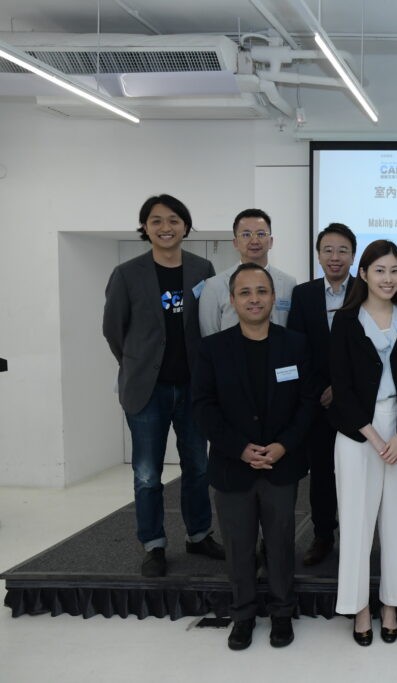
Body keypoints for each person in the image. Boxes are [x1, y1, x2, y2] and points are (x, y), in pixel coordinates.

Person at [192, 263, 317, 651]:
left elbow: (308, 403)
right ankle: (243, 614)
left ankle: (282, 612)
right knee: (239, 545)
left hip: (283, 463)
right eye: (245, 293)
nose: (254, 299)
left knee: (280, 544)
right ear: (232, 300)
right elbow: (203, 407)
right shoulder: (212, 349)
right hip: (233, 466)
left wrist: (283, 445)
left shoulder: (295, 343)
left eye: (261, 292)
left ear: (272, 297)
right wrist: (240, 449)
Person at [102, 194, 224, 577]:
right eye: (156, 221)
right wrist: (139, 364)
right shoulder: (127, 273)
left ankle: (199, 534)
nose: (166, 227)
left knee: (198, 466)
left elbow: (208, 322)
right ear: (145, 228)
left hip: (192, 386)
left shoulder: (202, 268)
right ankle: (153, 544)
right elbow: (113, 330)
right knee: (147, 473)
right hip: (147, 390)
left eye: (174, 220)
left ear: (186, 226)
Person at [330, 240, 397, 646]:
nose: (388, 279)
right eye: (379, 270)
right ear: (364, 274)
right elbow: (342, 386)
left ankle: (392, 604)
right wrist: (373, 435)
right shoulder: (346, 320)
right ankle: (361, 608)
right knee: (356, 522)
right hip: (358, 432)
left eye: (394, 270)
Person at [286, 223, 357, 566]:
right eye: (328, 250)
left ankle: (359, 536)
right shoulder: (304, 294)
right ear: (318, 255)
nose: (335, 257)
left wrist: (342, 390)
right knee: (322, 474)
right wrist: (320, 391)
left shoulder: (367, 290)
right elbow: (296, 350)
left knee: (358, 473)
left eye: (342, 250)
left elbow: (371, 351)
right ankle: (323, 535)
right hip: (319, 403)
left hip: (357, 403)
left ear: (353, 255)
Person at [198, 208, 297, 337]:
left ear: (271, 241)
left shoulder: (288, 283)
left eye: (261, 234)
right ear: (235, 243)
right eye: (246, 234)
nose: (254, 241)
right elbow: (209, 335)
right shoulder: (214, 285)